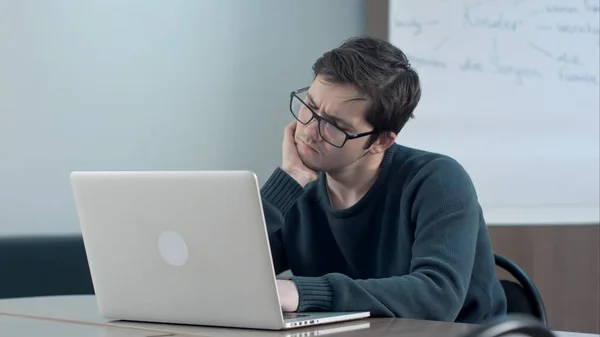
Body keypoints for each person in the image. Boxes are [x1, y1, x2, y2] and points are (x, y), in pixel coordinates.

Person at [260, 35, 507, 324]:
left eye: (334, 125)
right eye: (310, 106)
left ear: (381, 141)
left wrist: (305, 292)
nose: (310, 130)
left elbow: (438, 296)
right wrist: (288, 179)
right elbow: (225, 272)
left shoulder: (438, 180)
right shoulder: (297, 193)